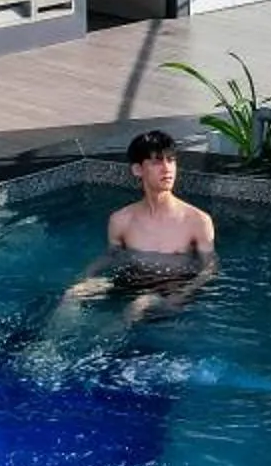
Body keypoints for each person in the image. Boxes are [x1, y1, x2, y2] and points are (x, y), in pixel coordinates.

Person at [62, 130, 216, 322]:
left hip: (172, 291)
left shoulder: (197, 220)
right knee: (72, 295)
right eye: (157, 161)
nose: (167, 169)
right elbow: (112, 256)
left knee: (138, 305)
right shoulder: (121, 220)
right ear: (138, 170)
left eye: (171, 160)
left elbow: (208, 269)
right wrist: (88, 275)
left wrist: (181, 295)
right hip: (129, 283)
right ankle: (47, 347)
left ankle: (108, 350)